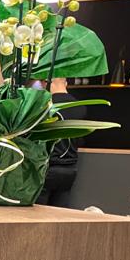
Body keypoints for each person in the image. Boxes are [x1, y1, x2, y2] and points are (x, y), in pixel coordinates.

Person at [37, 77, 85, 207]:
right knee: (59, 214)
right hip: (69, 169)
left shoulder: (45, 106)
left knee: (37, 214)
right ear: (66, 83)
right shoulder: (80, 107)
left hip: (47, 168)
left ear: (47, 82)